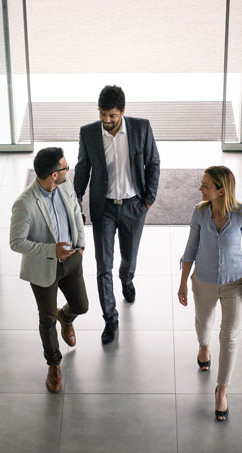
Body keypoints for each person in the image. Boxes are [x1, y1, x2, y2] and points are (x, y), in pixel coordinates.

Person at [74, 85, 160, 344]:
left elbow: (153, 162)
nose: (106, 120)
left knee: (129, 258)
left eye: (111, 115)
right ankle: (110, 319)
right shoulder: (88, 133)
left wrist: (148, 200)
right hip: (104, 209)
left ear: (122, 111)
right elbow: (82, 170)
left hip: (135, 206)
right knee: (103, 266)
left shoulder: (141, 128)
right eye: (102, 114)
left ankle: (127, 278)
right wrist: (75, 202)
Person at [177, 166, 242, 421]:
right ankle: (204, 346)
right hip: (204, 280)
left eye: (205, 186)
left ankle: (222, 391)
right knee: (203, 324)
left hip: (235, 282)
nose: (200, 189)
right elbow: (190, 248)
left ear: (221, 190)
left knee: (230, 336)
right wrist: (182, 284)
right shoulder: (199, 212)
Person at [10, 147, 89, 393]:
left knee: (81, 306)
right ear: (54, 174)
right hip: (44, 268)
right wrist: (50, 250)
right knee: (46, 319)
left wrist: (81, 244)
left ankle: (65, 317)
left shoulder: (65, 185)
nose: (68, 170)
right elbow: (16, 242)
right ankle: (54, 364)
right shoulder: (24, 204)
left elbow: (76, 212)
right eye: (64, 167)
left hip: (72, 260)